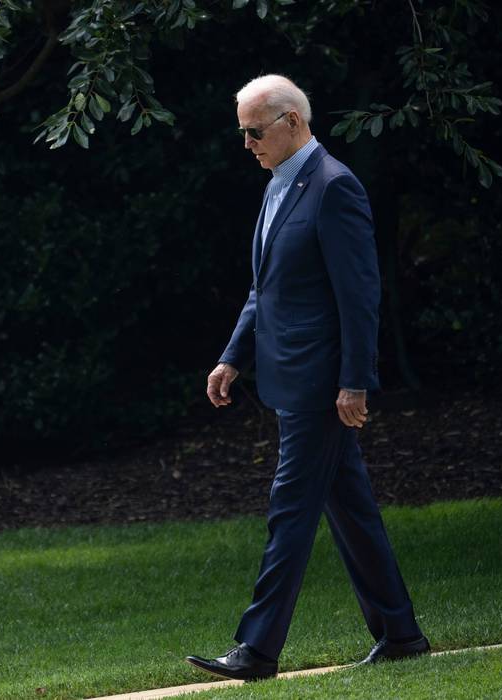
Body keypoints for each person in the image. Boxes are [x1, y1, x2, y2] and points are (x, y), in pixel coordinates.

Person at [184, 74, 430, 682]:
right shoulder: (279, 184)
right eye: (242, 133)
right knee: (351, 510)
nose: (246, 144)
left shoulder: (333, 186)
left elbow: (360, 295)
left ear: (292, 122)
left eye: (253, 132)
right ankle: (401, 634)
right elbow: (264, 288)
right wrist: (232, 358)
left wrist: (355, 381)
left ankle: (257, 649)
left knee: (290, 510)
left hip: (320, 386)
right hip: (290, 378)